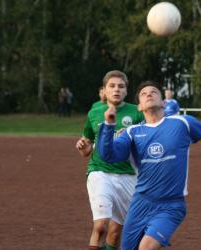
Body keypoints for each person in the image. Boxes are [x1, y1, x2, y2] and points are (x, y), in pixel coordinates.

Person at [96, 81, 201, 250]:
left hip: (171, 205)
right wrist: (109, 125)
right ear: (139, 106)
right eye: (144, 93)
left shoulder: (183, 123)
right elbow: (108, 155)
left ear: (163, 102)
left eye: (154, 91)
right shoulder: (132, 132)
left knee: (146, 247)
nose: (149, 94)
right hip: (140, 203)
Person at [75, 70, 144, 250]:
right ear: (104, 90)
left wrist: (131, 136)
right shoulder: (94, 113)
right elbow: (88, 147)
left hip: (129, 175)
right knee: (101, 226)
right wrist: (84, 147)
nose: (116, 90)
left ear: (126, 91)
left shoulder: (137, 113)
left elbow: (145, 143)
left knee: (115, 233)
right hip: (100, 172)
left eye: (121, 86)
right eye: (111, 86)